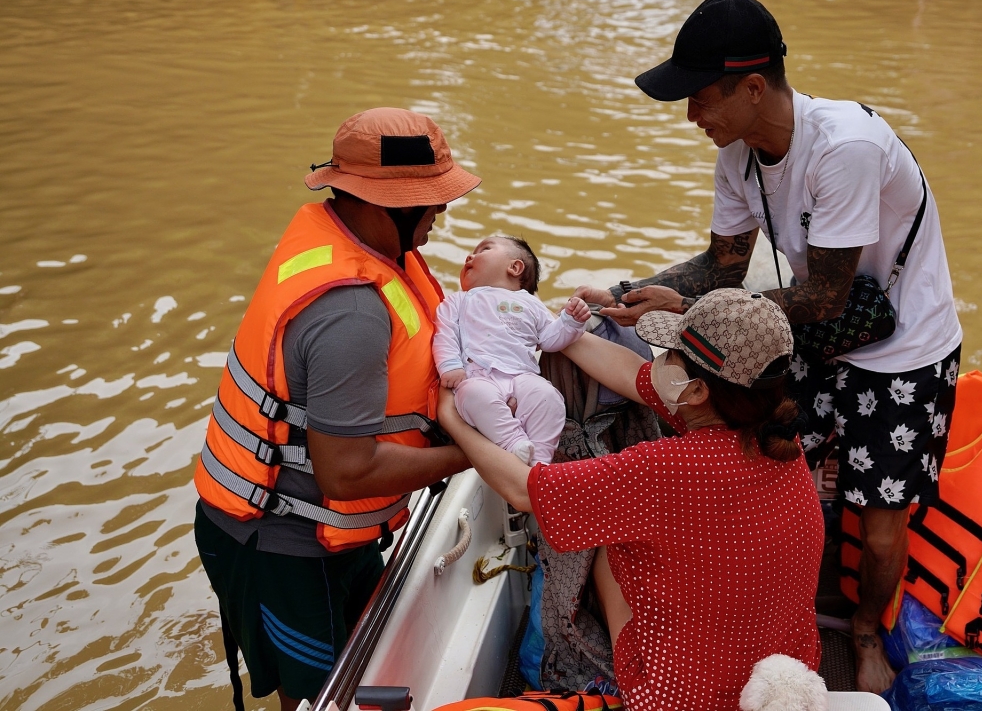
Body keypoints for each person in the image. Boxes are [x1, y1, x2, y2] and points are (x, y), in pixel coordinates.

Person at [574, 0, 963, 693]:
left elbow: (825, 297)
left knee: (879, 524)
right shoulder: (740, 155)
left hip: (902, 349)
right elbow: (722, 267)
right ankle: (773, 614)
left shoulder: (843, 148)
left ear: (753, 87)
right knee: (761, 471)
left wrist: (688, 308)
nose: (691, 116)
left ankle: (864, 631)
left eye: (700, 98)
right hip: (807, 334)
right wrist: (630, 293)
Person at [192, 108, 479, 711]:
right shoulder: (350, 311)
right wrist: (474, 455)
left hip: (325, 529)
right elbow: (346, 472)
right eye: (431, 200)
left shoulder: (353, 243)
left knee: (358, 660)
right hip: (282, 545)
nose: (442, 211)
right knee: (315, 699)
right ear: (384, 204)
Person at [438, 288, 824, 711]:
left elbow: (522, 488)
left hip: (681, 697)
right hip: (781, 676)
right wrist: (557, 329)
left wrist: (452, 416)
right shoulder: (775, 435)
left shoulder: (662, 468)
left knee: (610, 536)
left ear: (697, 391)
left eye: (670, 353)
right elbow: (631, 375)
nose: (659, 360)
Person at [432, 236, 592, 465]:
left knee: (549, 398)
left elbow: (550, 339)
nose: (469, 256)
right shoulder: (458, 301)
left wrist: (571, 322)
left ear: (515, 267)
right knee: (472, 395)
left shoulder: (532, 304)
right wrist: (450, 365)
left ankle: (540, 459)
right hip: (478, 375)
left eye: (484, 249)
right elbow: (445, 332)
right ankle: (513, 442)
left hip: (523, 375)